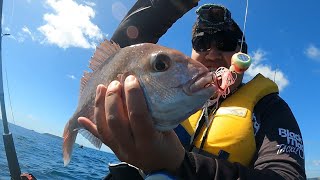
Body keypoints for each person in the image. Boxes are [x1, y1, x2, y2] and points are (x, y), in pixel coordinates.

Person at [78, 1, 306, 179]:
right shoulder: (163, 90)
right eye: (202, 42)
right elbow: (120, 57)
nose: (212, 54)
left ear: (242, 56)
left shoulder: (269, 109)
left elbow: (287, 175)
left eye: (225, 43)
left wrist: (181, 165)